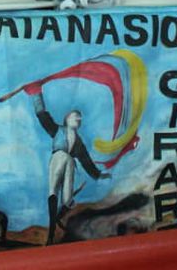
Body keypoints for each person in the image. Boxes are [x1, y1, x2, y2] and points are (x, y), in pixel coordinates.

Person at [32, 90, 109, 245]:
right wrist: (36, 94)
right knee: (53, 190)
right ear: (67, 118)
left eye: (79, 117)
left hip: (70, 162)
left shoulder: (79, 142)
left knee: (68, 200)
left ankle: (57, 220)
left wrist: (99, 175)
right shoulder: (57, 130)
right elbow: (42, 115)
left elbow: (86, 161)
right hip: (59, 156)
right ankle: (51, 234)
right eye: (75, 116)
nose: (78, 119)